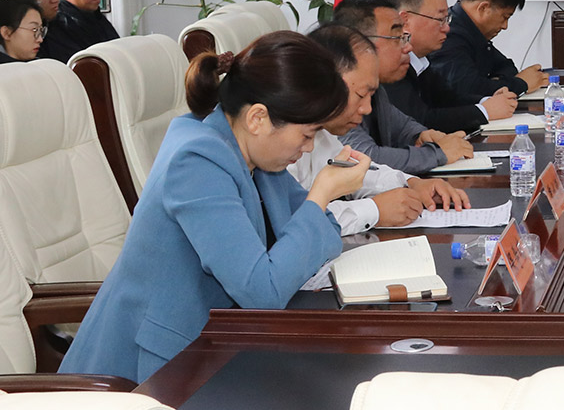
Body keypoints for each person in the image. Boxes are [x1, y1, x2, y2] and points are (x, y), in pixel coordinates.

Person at [59, 31, 366, 383]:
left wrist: (316, 206)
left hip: (217, 342)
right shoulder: (198, 161)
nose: (309, 148)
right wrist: (322, 193)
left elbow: (323, 228)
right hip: (145, 373)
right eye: (308, 134)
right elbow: (262, 291)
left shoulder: (253, 152)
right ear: (258, 118)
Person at [294, 25, 471, 234]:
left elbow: (360, 172)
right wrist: (374, 210)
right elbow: (295, 222)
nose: (367, 108)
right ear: (323, 84)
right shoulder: (283, 139)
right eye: (361, 95)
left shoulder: (322, 134)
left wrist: (411, 184)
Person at [330, 0, 472, 175]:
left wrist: (421, 136)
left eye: (405, 37)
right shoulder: (333, 90)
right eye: (397, 38)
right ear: (359, 43)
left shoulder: (377, 89)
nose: (408, 47)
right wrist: (437, 154)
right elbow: (364, 157)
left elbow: (402, 126)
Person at [385, 0, 518, 134]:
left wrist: (488, 100)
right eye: (440, 19)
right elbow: (421, 120)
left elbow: (448, 99)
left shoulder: (421, 61)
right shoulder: (390, 65)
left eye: (447, 19)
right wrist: (484, 111)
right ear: (405, 21)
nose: (447, 28)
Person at [432, 0, 549, 103]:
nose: (505, 26)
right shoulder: (448, 35)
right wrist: (521, 84)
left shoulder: (471, 30)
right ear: (483, 8)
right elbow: (467, 89)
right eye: (505, 17)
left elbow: (506, 66)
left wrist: (495, 82)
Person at [0, 0, 46, 66]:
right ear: (6, 33)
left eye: (41, 30)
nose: (40, 39)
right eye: (34, 29)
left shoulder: (32, 64)